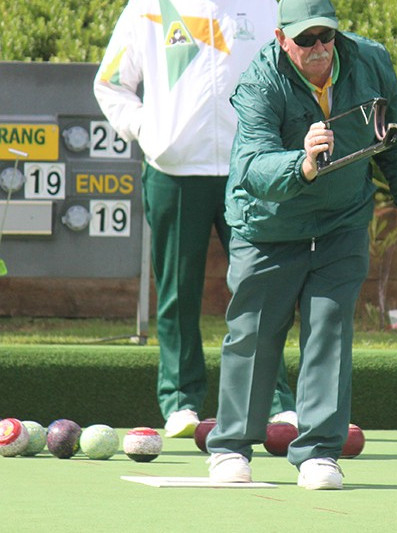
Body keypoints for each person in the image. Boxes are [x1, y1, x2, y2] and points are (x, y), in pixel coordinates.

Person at [204, 0, 397, 488]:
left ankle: (318, 453)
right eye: (306, 39)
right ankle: (230, 448)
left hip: (342, 220)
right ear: (281, 38)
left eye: (326, 37)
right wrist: (303, 165)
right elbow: (250, 165)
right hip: (267, 226)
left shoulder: (370, 61)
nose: (319, 48)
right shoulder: (260, 83)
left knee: (330, 329)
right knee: (254, 334)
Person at [94, 0, 298, 438]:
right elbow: (110, 84)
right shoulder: (148, 7)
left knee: (260, 288)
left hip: (250, 168)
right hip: (175, 169)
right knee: (177, 293)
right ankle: (181, 403)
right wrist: (150, 130)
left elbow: (291, 76)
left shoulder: (265, 6)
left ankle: (277, 401)